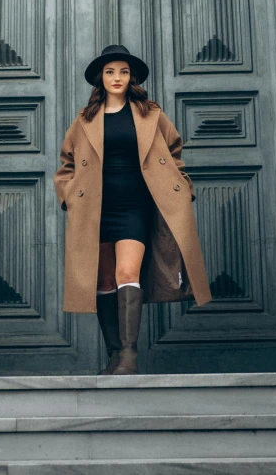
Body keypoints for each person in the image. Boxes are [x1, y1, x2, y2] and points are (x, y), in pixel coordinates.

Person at [54, 44, 212, 375]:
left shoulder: (150, 114)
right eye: (110, 72)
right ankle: (114, 354)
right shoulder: (84, 121)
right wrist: (68, 196)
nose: (117, 78)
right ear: (101, 77)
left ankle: (129, 354)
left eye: (123, 72)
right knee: (104, 281)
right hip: (95, 211)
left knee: (128, 274)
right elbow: (66, 163)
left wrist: (182, 187)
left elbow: (174, 151)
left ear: (131, 77)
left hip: (134, 208)